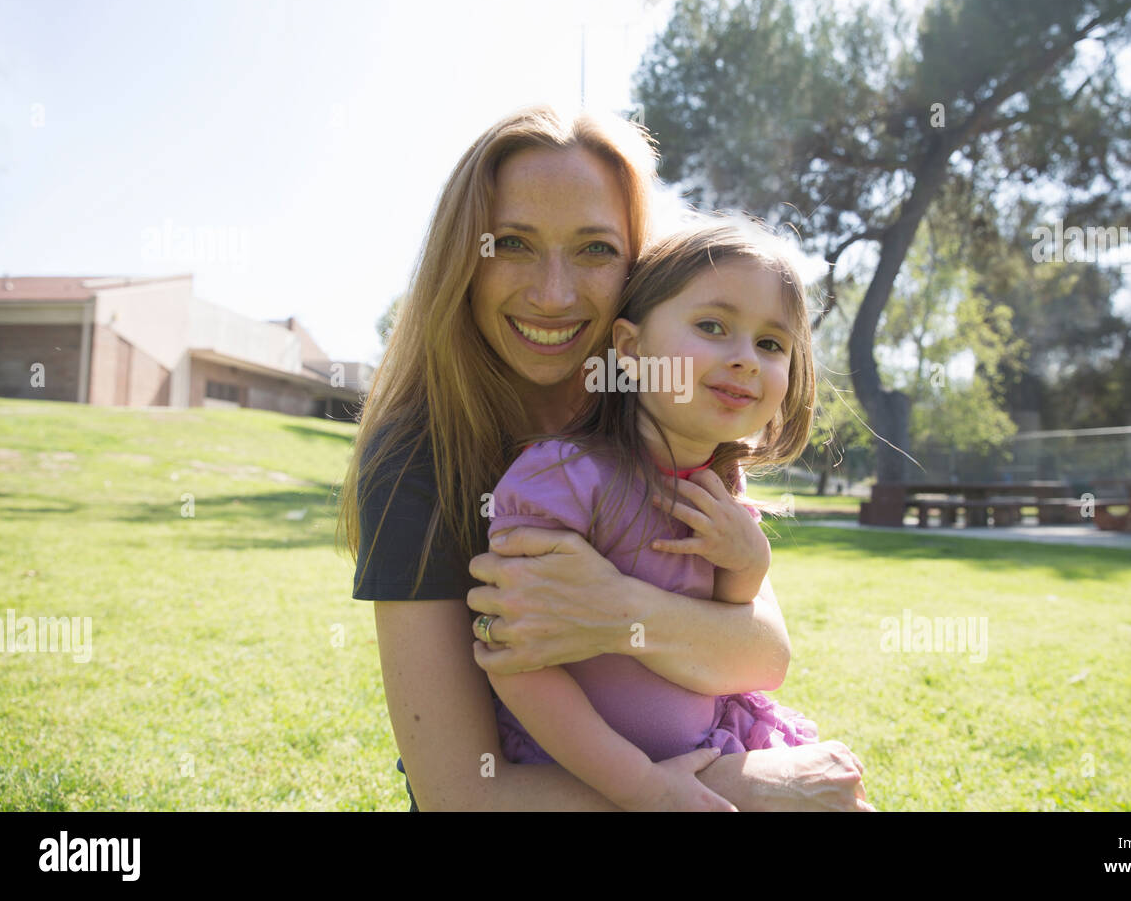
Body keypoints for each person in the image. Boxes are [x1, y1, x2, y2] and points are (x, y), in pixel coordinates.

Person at [338, 104, 871, 810]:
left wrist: (615, 610)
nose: (554, 293)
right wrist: (735, 787)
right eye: (513, 244)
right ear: (464, 259)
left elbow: (761, 656)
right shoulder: (417, 458)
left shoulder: (662, 417)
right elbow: (460, 792)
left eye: (594, 249)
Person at [486, 218, 870, 811]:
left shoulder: (722, 486)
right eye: (713, 327)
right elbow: (514, 658)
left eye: (772, 344)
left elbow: (740, 643)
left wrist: (748, 561)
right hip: (583, 772)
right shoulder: (562, 475)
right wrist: (638, 785)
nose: (745, 358)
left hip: (712, 746)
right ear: (632, 349)